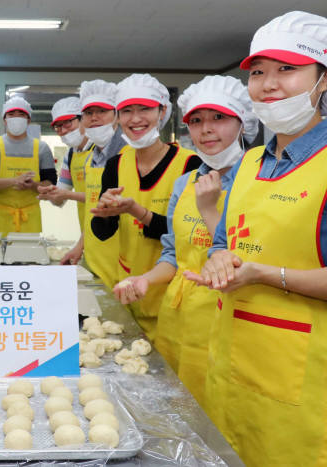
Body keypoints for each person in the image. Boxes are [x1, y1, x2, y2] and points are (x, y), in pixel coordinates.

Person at [184, 11, 327, 466]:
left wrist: (266, 274)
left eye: (288, 69)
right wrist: (219, 260)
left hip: (300, 378)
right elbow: (225, 241)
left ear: (326, 80)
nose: (268, 84)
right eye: (259, 72)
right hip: (232, 362)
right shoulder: (248, 165)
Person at [114, 75, 258, 407]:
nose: (206, 129)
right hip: (178, 318)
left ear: (242, 123)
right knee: (177, 409)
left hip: (228, 319)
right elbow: (173, 256)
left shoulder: (260, 178)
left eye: (218, 118)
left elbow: (246, 258)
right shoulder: (185, 184)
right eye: (196, 120)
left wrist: (209, 209)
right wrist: (145, 280)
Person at [91, 74, 201, 340]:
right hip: (129, 289)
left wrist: (136, 211)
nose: (135, 119)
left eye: (145, 109)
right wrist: (105, 213)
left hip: (174, 294)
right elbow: (103, 231)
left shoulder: (190, 165)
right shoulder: (116, 164)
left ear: (162, 112)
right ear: (118, 118)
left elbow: (188, 237)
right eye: (127, 111)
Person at [0, 96, 57, 236]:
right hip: (1, 217)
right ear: (4, 119)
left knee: (30, 256)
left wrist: (32, 185)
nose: (16, 118)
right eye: (11, 115)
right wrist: (14, 181)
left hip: (30, 216)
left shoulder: (41, 148)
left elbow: (50, 183)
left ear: (28, 120)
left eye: (21, 115)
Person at [76, 80, 127, 288]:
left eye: (102, 111)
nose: (94, 117)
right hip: (95, 256)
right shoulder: (91, 157)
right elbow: (91, 208)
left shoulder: (129, 155)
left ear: (116, 115)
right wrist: (80, 246)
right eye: (88, 113)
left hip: (120, 260)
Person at [37, 96, 93, 264]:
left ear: (83, 119)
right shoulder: (71, 154)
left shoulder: (101, 150)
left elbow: (104, 198)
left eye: (67, 124)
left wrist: (65, 195)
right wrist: (51, 194)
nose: (62, 131)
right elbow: (61, 195)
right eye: (57, 127)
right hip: (87, 230)